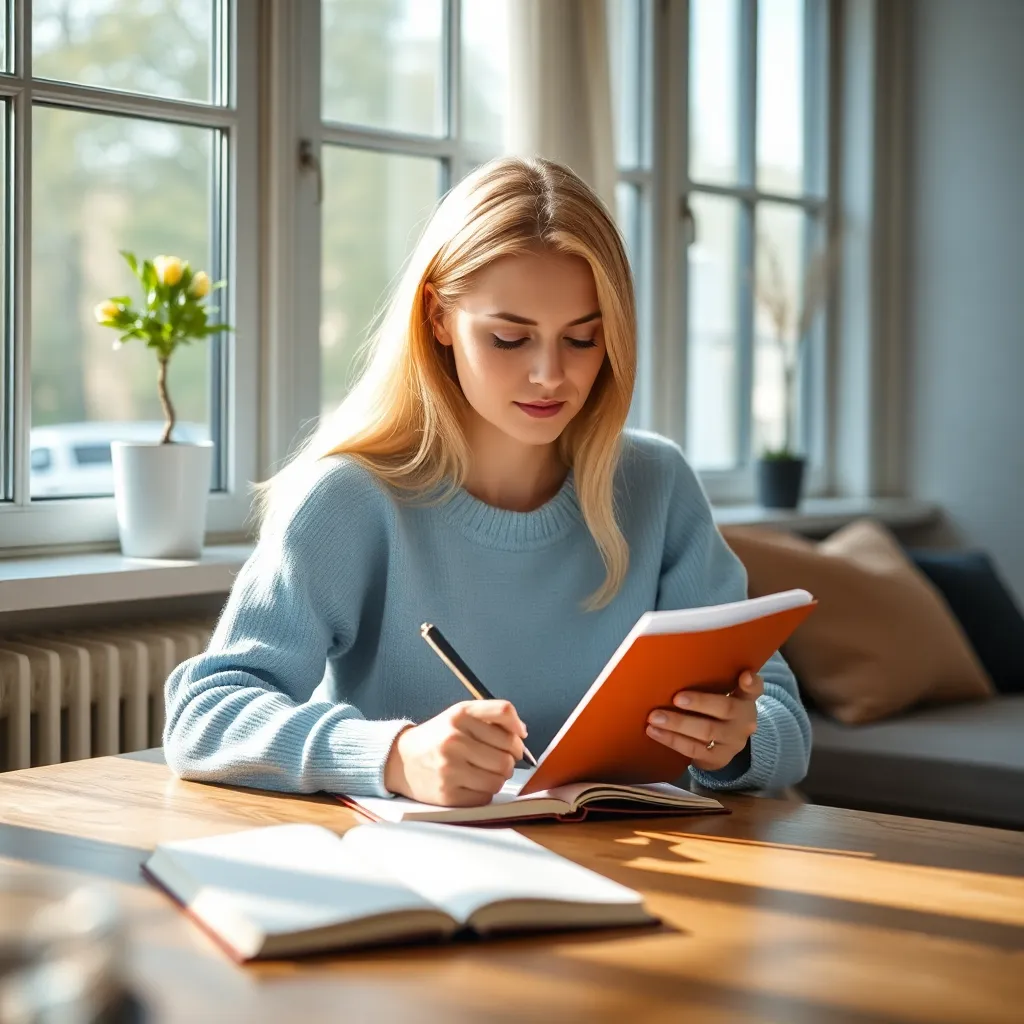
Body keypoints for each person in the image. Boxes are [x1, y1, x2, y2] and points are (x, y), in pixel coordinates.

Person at [164, 156, 811, 807]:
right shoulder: (350, 499)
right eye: (509, 338)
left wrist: (740, 741)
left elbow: (783, 716)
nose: (550, 375)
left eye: (582, 340)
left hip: (650, 871)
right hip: (436, 881)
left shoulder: (656, 484)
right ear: (439, 318)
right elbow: (204, 716)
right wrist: (393, 756)